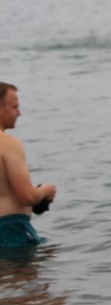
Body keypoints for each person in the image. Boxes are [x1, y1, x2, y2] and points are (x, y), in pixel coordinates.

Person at [0, 82, 56, 252]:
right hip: (9, 231)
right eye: (14, 107)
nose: (19, 113)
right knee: (24, 278)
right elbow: (27, 196)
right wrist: (46, 190)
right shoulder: (8, 144)